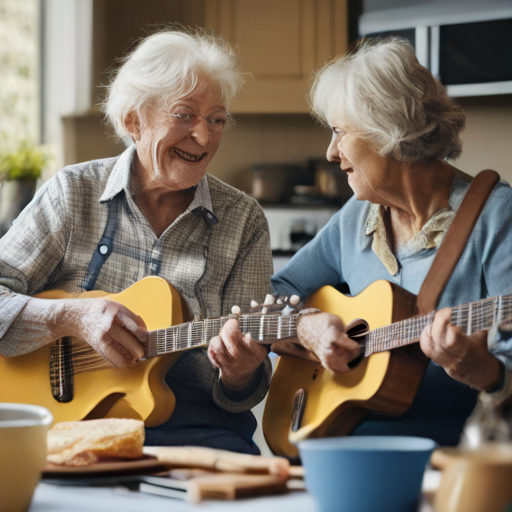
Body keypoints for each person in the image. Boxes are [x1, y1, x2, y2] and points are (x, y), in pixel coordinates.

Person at [218, 38, 512, 446]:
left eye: (339, 132)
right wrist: (307, 324)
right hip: (344, 446)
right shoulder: (357, 218)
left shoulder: (496, 215)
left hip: (457, 461)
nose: (331, 152)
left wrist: (490, 376)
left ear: (389, 131)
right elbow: (275, 294)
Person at [0, 28, 273, 454]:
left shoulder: (243, 220)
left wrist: (239, 373)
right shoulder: (73, 193)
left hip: (198, 435)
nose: (204, 137)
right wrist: (72, 316)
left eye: (216, 120)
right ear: (133, 121)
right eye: (184, 115)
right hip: (67, 433)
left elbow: (242, 394)